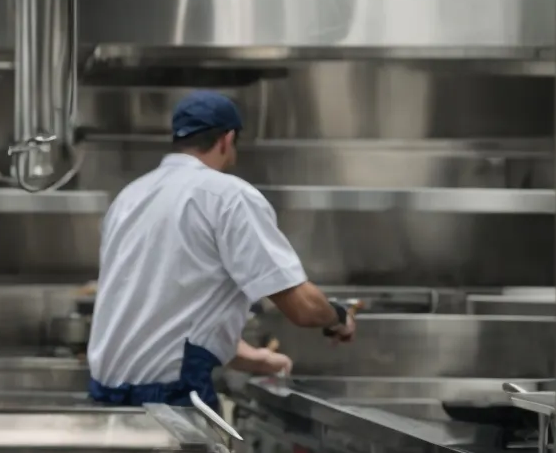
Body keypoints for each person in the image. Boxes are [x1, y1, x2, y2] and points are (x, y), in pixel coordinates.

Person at [87, 90, 356, 407]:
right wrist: (337, 317)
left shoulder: (129, 198)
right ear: (227, 139)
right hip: (172, 399)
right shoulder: (227, 196)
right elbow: (303, 308)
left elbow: (168, 317)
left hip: (104, 396)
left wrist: (254, 358)